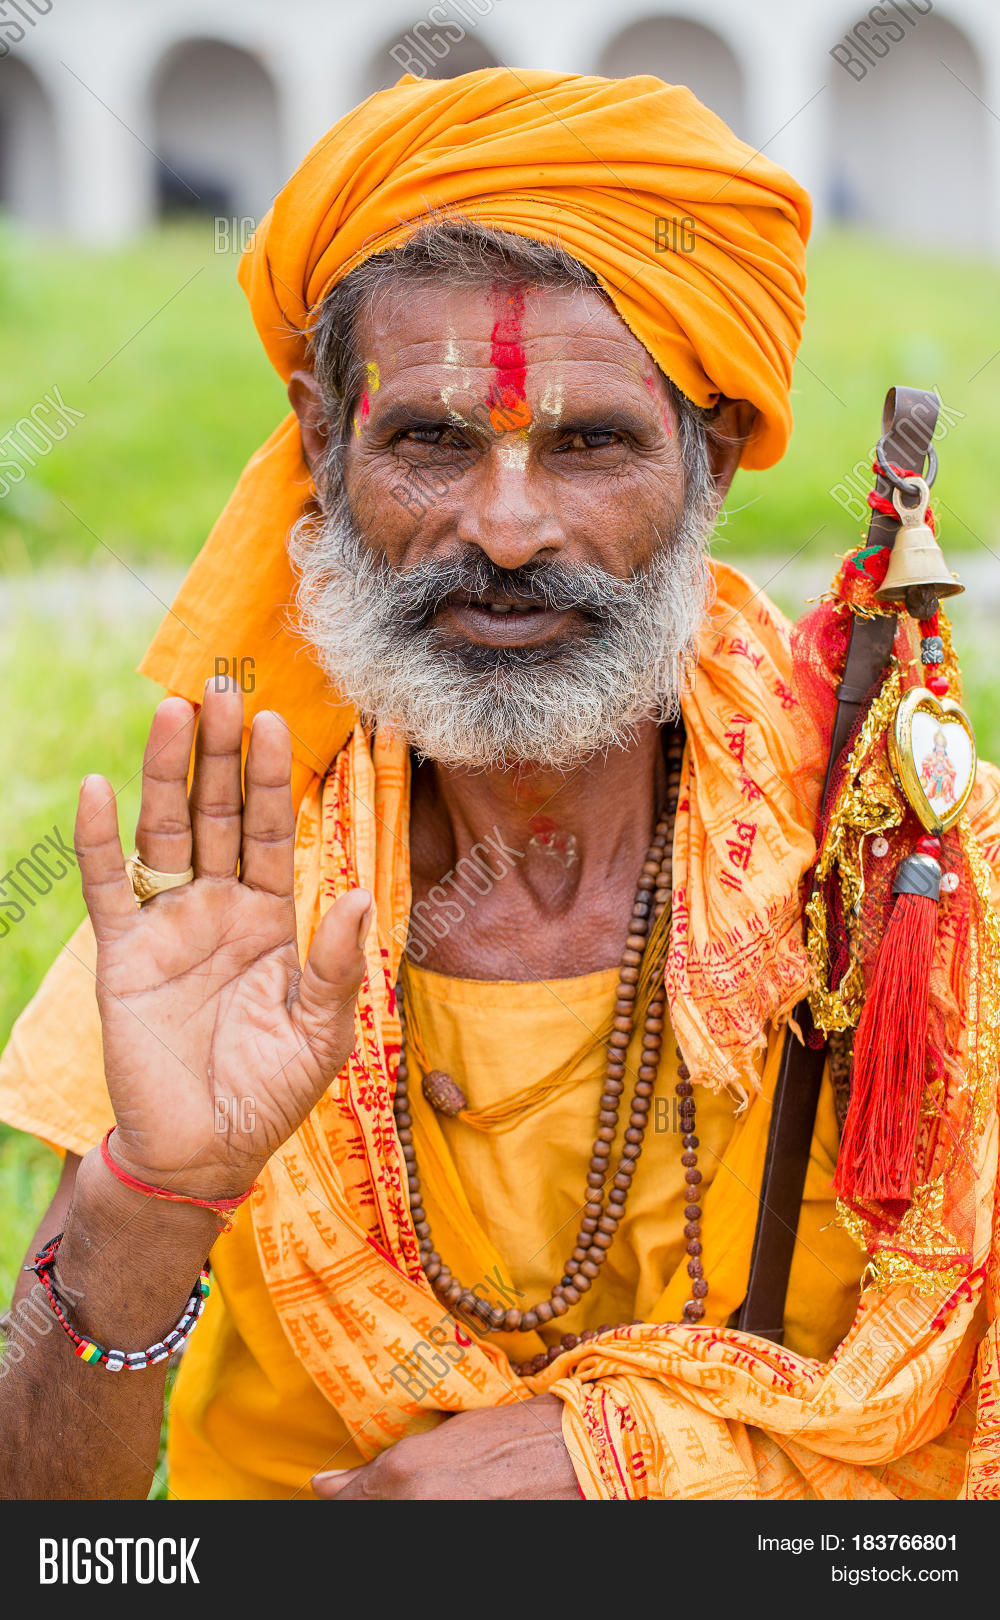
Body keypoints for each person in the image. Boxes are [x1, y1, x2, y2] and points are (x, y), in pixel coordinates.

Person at [1, 68, 998, 1502]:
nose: (511, 528)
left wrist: (638, 1473)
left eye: (589, 443)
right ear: (326, 444)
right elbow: (43, 1545)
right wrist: (147, 1202)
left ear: (709, 456)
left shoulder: (915, 877)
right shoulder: (228, 890)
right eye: (432, 441)